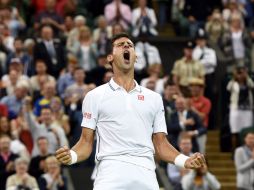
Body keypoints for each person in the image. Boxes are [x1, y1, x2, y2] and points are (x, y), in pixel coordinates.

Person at [55, 33, 206, 190]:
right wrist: (71, 156)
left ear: (136, 58)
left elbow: (161, 145)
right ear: (110, 58)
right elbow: (86, 143)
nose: (126, 46)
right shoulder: (94, 96)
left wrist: (185, 161)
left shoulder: (154, 98)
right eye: (120, 45)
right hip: (109, 176)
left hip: (146, 177)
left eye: (130, 45)